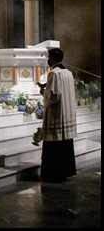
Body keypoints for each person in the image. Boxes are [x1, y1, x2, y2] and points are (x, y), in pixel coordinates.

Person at [39, 47, 77, 182]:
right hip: (67, 113)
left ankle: (54, 173)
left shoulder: (54, 73)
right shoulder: (68, 73)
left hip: (57, 115)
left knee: (54, 145)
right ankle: (66, 170)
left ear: (53, 58)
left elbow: (53, 96)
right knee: (65, 145)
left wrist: (43, 92)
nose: (48, 60)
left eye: (49, 57)